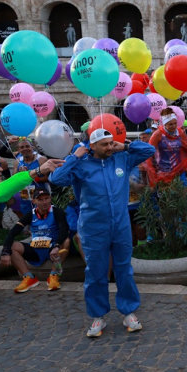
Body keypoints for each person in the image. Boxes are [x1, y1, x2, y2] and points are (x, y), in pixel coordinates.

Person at [49, 128, 155, 337]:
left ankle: (129, 311)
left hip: (120, 226)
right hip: (93, 228)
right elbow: (57, 179)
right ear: (92, 146)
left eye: (110, 142)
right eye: (104, 144)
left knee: (124, 270)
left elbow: (149, 150)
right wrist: (74, 156)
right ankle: (98, 316)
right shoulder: (81, 165)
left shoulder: (121, 158)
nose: (109, 147)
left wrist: (125, 146)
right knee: (96, 272)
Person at [1, 185, 70, 292]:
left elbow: (64, 230)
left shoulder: (57, 212)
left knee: (66, 241)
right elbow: (13, 232)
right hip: (36, 249)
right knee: (12, 246)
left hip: (52, 248)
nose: (44, 202)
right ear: (34, 201)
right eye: (40, 200)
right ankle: (29, 278)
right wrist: (5, 251)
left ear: (50, 198)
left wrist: (56, 246)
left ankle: (54, 275)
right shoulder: (30, 214)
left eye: (46, 198)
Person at [147, 108, 187, 184]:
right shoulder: (157, 134)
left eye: (175, 123)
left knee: (183, 190)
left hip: (179, 171)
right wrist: (153, 171)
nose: (174, 126)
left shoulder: (180, 132)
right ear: (165, 124)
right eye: (170, 124)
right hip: (163, 172)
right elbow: (149, 153)